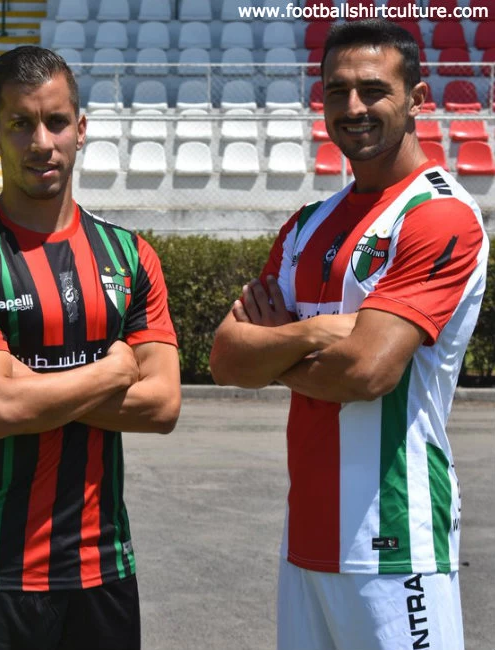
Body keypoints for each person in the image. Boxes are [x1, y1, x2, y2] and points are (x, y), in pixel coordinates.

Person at [210, 19, 488, 650]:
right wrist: (318, 332)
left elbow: (367, 372)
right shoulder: (308, 224)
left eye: (373, 89)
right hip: (305, 538)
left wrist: (279, 343)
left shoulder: (439, 214)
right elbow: (226, 358)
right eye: (337, 92)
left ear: (417, 99)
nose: (353, 107)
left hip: (395, 539)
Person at [0, 45, 181, 650]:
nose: (41, 141)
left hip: (103, 570)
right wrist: (114, 369)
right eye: (20, 124)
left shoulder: (131, 255)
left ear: (81, 128)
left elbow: (163, 406)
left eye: (56, 121)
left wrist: (31, 384)